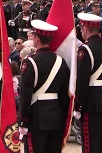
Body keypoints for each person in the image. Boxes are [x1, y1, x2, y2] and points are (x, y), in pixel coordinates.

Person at [18, 20, 70, 153]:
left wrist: (23, 121)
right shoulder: (60, 61)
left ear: (36, 39)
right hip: (56, 116)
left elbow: (25, 95)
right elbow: (65, 94)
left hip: (36, 117)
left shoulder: (29, 63)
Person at [74, 13, 102, 153]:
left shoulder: (84, 50)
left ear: (85, 29)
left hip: (91, 104)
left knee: (91, 145)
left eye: (81, 29)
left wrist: (78, 106)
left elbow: (82, 81)